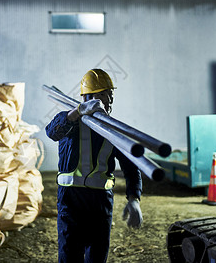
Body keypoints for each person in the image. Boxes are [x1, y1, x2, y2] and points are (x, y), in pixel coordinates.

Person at [45, 68, 143, 263]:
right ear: (87, 97)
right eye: (103, 94)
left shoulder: (114, 129)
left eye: (110, 94)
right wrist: (79, 112)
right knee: (70, 256)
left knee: (97, 256)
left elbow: (132, 168)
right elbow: (52, 132)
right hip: (71, 201)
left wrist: (134, 199)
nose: (108, 99)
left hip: (100, 203)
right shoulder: (69, 121)